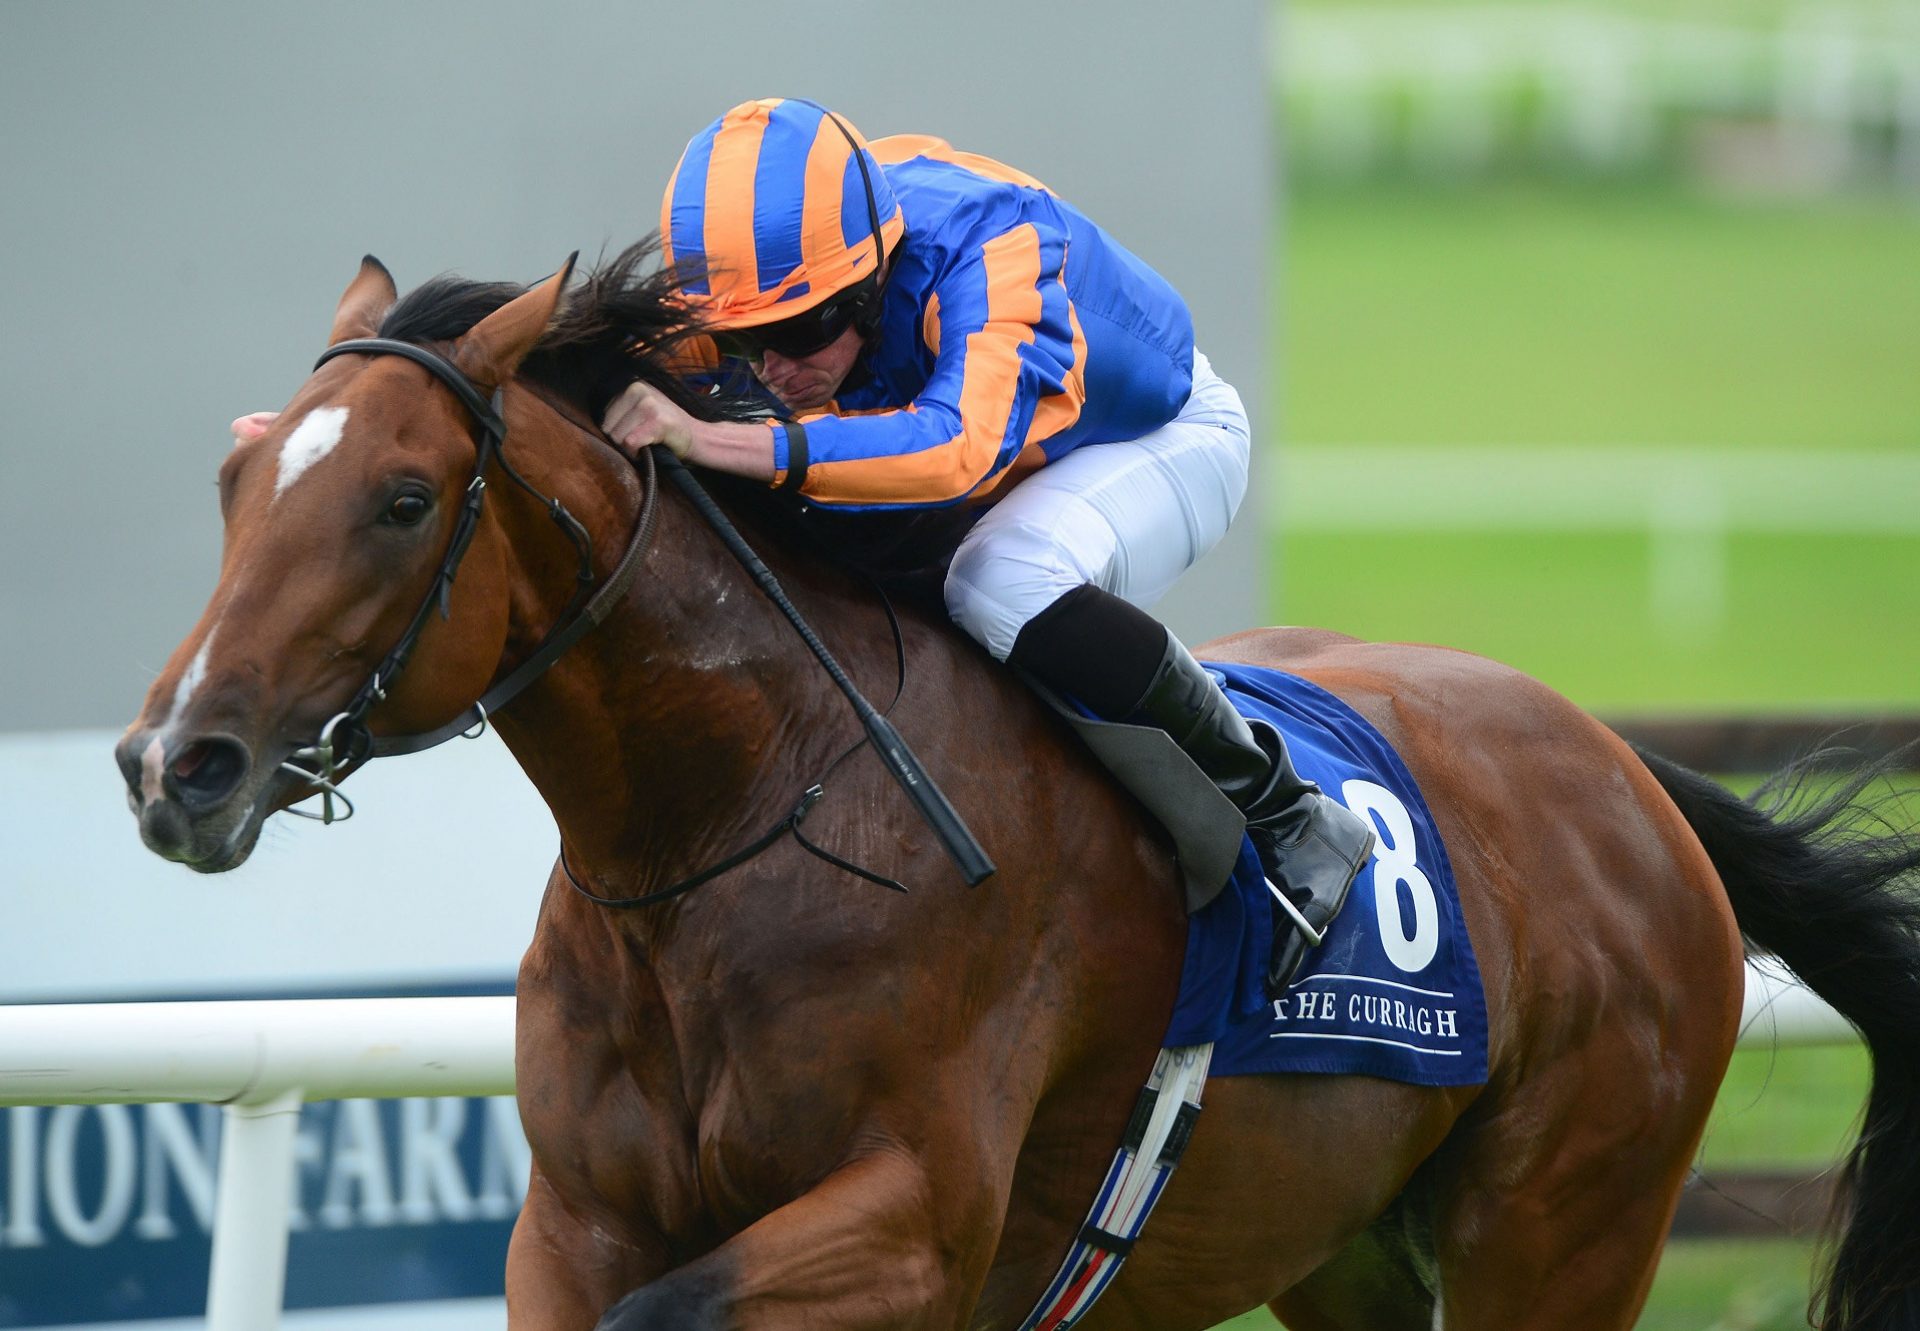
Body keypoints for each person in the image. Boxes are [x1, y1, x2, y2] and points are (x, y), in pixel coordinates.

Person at [236, 98, 1373, 989]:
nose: (775, 366)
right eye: (743, 340)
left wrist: (742, 445)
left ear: (875, 272)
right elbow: (549, 375)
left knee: (999, 575)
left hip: (1146, 438)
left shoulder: (1000, 252)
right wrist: (329, 453)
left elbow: (957, 456)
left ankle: (1288, 817)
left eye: (806, 330)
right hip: (976, 441)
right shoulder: (762, 284)